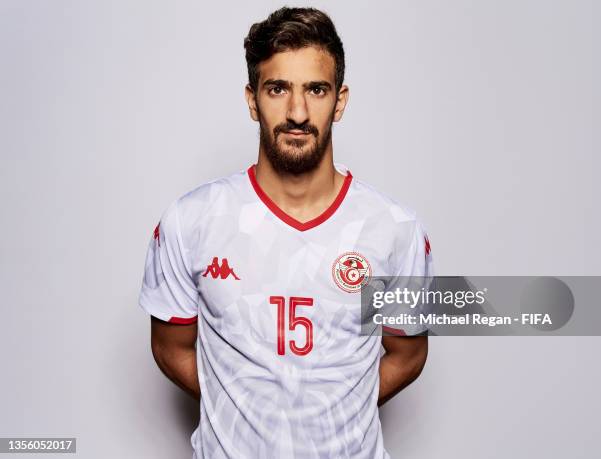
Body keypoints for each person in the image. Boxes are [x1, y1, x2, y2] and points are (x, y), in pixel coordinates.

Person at [138, 6, 434, 458]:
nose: (297, 111)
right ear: (253, 99)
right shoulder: (191, 220)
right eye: (278, 89)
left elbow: (408, 354)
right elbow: (170, 346)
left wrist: (332, 409)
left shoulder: (395, 230)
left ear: (340, 100)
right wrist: (246, 405)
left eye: (316, 90)